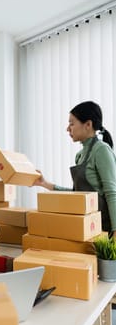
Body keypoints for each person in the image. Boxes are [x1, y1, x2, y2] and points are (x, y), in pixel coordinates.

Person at [33, 101, 116, 238]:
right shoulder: (80, 155)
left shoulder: (101, 150)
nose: (68, 129)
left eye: (72, 123)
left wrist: (115, 232)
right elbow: (77, 194)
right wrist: (45, 184)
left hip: (104, 231)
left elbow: (112, 194)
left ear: (88, 125)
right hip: (86, 229)